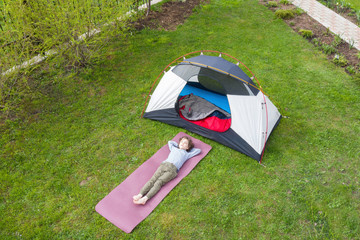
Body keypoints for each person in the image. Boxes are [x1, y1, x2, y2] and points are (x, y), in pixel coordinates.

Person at [133, 136, 201, 205]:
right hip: (163, 165)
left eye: (185, 143)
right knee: (152, 180)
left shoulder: (187, 154)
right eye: (181, 141)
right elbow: (170, 142)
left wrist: (189, 148)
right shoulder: (173, 148)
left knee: (159, 182)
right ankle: (140, 194)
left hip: (172, 170)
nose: (183, 143)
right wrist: (179, 145)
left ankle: (145, 199)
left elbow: (198, 151)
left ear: (187, 147)